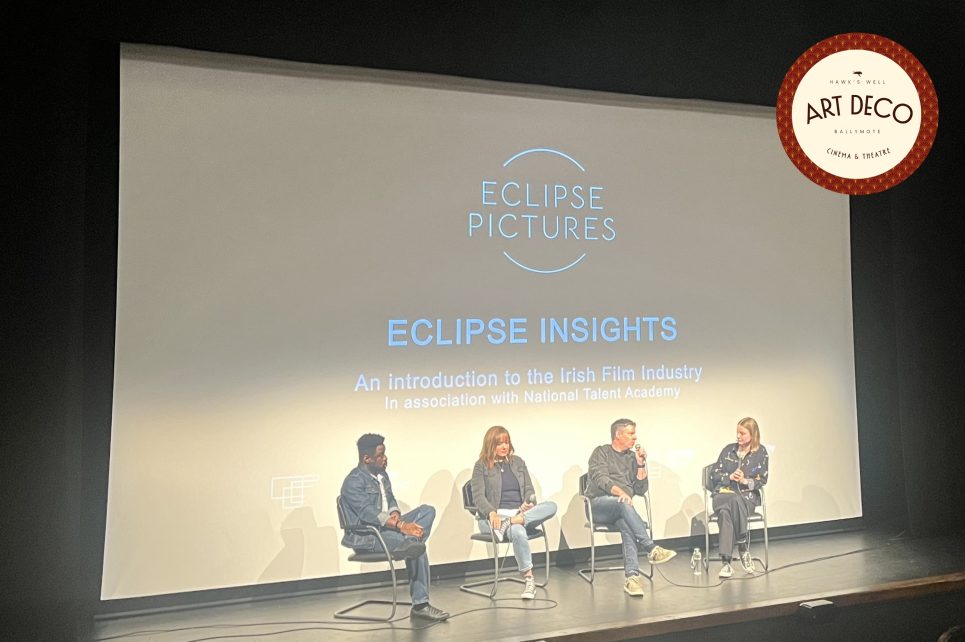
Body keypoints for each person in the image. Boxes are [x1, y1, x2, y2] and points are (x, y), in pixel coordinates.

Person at [339, 433, 449, 622]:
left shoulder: (382, 474)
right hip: (369, 536)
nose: (385, 459)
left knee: (427, 511)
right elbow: (368, 513)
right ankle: (421, 605)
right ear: (367, 458)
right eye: (380, 455)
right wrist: (401, 525)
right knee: (416, 548)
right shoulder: (353, 482)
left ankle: (412, 541)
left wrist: (396, 514)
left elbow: (390, 499)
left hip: (389, 528)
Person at [585, 418, 677, 597]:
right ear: (618, 435)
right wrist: (620, 493)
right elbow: (600, 479)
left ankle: (632, 578)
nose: (635, 438)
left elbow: (641, 489)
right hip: (598, 505)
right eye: (631, 433)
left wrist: (640, 463)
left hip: (622, 508)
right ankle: (651, 548)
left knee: (627, 523)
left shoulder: (631, 457)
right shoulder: (601, 452)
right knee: (623, 505)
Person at [470, 425, 558, 600]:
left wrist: (528, 502)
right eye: (499, 443)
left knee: (551, 506)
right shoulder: (481, 466)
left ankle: (515, 521)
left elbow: (529, 489)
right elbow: (478, 497)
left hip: (518, 515)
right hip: (493, 518)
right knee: (518, 530)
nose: (504, 447)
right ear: (490, 445)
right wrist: (491, 513)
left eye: (507, 442)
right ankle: (529, 580)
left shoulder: (517, 462)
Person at [708, 417, 770, 578]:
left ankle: (726, 563)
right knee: (730, 502)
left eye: (742, 433)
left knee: (725, 514)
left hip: (746, 498)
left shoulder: (761, 453)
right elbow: (714, 475)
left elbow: (761, 481)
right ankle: (742, 545)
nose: (738, 436)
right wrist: (729, 477)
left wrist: (744, 481)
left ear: (753, 434)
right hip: (723, 495)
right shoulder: (728, 450)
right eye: (737, 432)